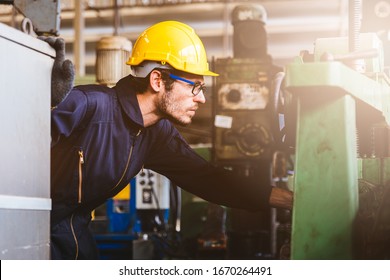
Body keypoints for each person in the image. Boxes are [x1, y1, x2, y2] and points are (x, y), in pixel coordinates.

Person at [48, 20, 293, 260]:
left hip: (72, 235)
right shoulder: (87, 106)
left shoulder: (155, 134)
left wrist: (286, 199)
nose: (202, 99)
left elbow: (207, 179)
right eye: (195, 87)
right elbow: (20, 148)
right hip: (31, 225)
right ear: (157, 80)